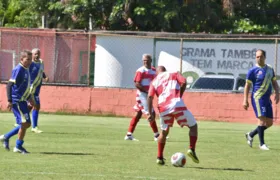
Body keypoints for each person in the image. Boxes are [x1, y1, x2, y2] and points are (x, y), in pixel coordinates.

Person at [147, 66, 199, 165]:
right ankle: (191, 149)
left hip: (163, 108)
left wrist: (150, 114)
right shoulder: (174, 73)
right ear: (165, 71)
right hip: (176, 104)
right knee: (193, 126)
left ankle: (159, 157)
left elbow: (149, 96)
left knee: (164, 132)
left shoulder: (154, 81)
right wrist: (179, 95)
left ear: (157, 73)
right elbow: (184, 82)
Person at [243, 49, 279, 150]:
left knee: (270, 122)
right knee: (261, 121)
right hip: (258, 98)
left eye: (260, 56)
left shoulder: (270, 69)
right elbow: (247, 86)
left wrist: (277, 92)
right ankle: (262, 144)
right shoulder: (252, 71)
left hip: (267, 99)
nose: (258, 58)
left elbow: (274, 82)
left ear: (264, 57)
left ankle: (251, 134)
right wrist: (245, 100)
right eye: (257, 57)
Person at [0, 50, 33, 154]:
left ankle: (6, 137)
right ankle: (18, 146)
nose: (30, 61)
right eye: (27, 59)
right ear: (21, 59)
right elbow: (9, 85)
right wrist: (10, 100)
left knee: (27, 124)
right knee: (24, 123)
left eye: (30, 59)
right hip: (17, 101)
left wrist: (29, 98)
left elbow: (23, 86)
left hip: (23, 100)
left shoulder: (26, 69)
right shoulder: (18, 69)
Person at [124, 54, 159, 141]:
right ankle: (157, 135)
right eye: (144, 60)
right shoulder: (140, 70)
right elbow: (137, 84)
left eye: (146, 60)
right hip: (142, 95)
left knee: (138, 114)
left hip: (149, 95)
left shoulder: (154, 70)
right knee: (151, 113)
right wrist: (147, 91)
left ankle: (129, 135)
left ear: (151, 60)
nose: (145, 62)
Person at [28, 48, 49, 133]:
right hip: (31, 87)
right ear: (32, 55)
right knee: (36, 106)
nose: (37, 55)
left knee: (30, 106)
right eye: (35, 54)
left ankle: (20, 121)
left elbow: (41, 71)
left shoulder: (41, 62)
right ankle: (34, 127)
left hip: (37, 87)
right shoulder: (30, 64)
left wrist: (45, 77)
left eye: (38, 54)